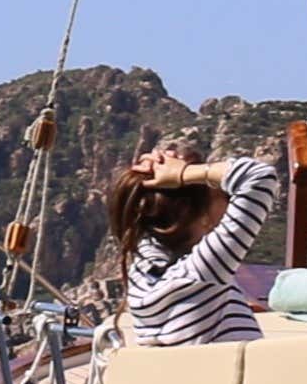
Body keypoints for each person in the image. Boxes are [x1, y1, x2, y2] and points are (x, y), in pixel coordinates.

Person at [110, 143, 281, 347]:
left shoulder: (143, 273)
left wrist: (149, 178)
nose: (229, 200)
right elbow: (259, 177)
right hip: (235, 376)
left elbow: (144, 218)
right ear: (203, 217)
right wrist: (186, 172)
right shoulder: (202, 272)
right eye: (222, 191)